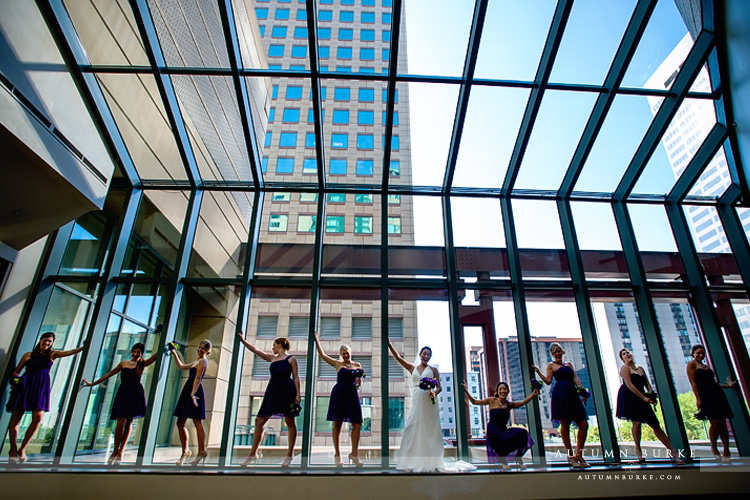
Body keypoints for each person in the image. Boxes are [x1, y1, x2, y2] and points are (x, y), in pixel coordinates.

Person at [6, 331, 84, 463]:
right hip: (25, 387)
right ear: (40, 340)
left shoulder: (52, 355)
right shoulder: (28, 355)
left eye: (50, 342)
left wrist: (83, 347)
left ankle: (22, 449)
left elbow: (70, 352)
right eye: (45, 340)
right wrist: (16, 382)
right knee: (16, 419)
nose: (47, 343)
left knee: (38, 418)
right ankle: (13, 449)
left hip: (40, 388)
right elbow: (16, 373)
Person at [82, 341, 159, 465]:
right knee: (120, 421)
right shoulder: (124, 363)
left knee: (129, 422)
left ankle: (121, 451)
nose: (135, 354)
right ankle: (115, 449)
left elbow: (156, 355)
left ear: (141, 353)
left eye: (138, 352)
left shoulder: (142, 364)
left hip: (135, 392)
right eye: (134, 351)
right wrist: (92, 384)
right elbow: (109, 374)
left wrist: (165, 341)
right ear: (131, 352)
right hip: (123, 392)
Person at [238, 334, 300, 467]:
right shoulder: (272, 358)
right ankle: (253, 453)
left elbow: (295, 377)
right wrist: (243, 341)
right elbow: (257, 351)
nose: (272, 348)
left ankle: (289, 454)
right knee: (259, 420)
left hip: (287, 390)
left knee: (289, 420)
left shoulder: (291, 359)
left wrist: (298, 395)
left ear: (280, 345)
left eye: (274, 345)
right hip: (272, 390)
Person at [615, 348, 683, 464]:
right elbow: (629, 384)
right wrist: (643, 398)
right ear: (622, 359)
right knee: (636, 423)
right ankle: (638, 449)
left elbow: (647, 384)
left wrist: (651, 395)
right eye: (624, 354)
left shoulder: (640, 369)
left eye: (628, 352)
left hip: (642, 396)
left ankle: (673, 453)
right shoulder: (624, 368)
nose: (627, 354)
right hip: (630, 396)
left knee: (655, 425)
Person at [533, 342, 590, 468]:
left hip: (572, 394)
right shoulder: (551, 365)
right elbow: (548, 381)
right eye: (555, 352)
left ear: (562, 351)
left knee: (584, 424)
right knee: (565, 424)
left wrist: (582, 392)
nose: (558, 353)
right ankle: (570, 455)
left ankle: (579, 454)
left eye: (559, 351)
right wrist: (538, 372)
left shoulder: (568, 364)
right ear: (552, 354)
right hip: (561, 394)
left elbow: (576, 378)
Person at [463, 381, 538, 470]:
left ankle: (518, 458)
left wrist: (533, 395)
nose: (502, 391)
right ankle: (503, 461)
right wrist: (466, 390)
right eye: (500, 389)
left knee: (522, 433)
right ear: (497, 391)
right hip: (493, 430)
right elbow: (474, 402)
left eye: (504, 389)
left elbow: (522, 402)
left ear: (508, 391)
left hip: (503, 429)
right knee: (500, 441)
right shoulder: (492, 400)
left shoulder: (509, 404)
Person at [314, 333, 364, 466]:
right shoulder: (337, 364)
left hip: (352, 394)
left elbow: (359, 384)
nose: (345, 355)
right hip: (340, 393)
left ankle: (354, 453)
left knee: (357, 424)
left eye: (347, 353)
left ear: (350, 353)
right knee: (337, 424)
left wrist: (359, 381)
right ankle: (337, 453)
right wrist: (316, 340)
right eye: (343, 354)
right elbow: (323, 356)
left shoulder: (357, 365)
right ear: (341, 355)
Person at [686, 344, 737, 462]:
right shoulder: (691, 364)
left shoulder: (706, 366)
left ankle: (726, 450)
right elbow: (693, 382)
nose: (700, 355)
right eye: (698, 352)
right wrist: (698, 398)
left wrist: (729, 386)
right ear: (693, 353)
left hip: (717, 394)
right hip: (705, 395)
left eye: (703, 353)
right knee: (715, 422)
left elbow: (714, 383)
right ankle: (713, 447)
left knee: (723, 422)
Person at [170, 339, 211, 466]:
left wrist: (193, 394)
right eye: (199, 347)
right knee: (180, 422)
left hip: (194, 391)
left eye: (203, 349)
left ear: (207, 351)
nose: (200, 350)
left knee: (197, 421)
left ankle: (201, 451)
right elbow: (181, 366)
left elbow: (198, 378)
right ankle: (186, 451)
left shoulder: (203, 361)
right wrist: (174, 353)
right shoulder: (197, 361)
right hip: (189, 390)